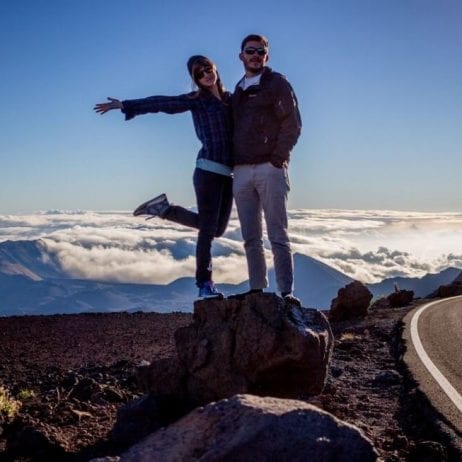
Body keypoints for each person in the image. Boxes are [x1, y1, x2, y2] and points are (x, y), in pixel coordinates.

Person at [94, 56, 233, 299]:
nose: (206, 75)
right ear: (195, 80)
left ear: (215, 69)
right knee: (208, 231)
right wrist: (126, 105)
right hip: (208, 170)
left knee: (217, 229)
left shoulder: (232, 100)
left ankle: (163, 209)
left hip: (229, 174)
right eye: (199, 74)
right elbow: (162, 102)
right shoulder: (197, 100)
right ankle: (204, 284)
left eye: (208, 69)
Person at [229, 34, 302, 305]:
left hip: (270, 168)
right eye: (251, 51)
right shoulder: (237, 90)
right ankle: (257, 289)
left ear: (266, 56)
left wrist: (277, 158)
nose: (256, 55)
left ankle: (287, 293)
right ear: (242, 56)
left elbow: (292, 124)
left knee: (278, 234)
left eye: (261, 52)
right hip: (241, 170)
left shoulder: (277, 84)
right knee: (250, 236)